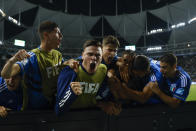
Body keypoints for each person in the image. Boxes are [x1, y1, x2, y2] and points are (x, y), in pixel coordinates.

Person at [1, 21, 64, 110]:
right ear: (46, 35)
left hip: (52, 107)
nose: (61, 36)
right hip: (33, 112)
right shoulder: (31, 57)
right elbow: (6, 74)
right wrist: (13, 60)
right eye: (58, 33)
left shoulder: (58, 55)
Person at [55, 40, 121, 115]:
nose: (94, 58)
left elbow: (100, 93)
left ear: (101, 57)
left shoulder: (102, 69)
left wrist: (109, 102)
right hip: (70, 117)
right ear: (82, 55)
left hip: (91, 117)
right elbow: (58, 110)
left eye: (98, 55)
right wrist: (71, 92)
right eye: (90, 54)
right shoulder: (70, 71)